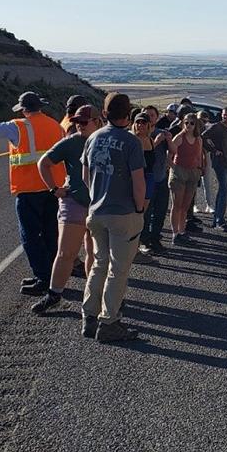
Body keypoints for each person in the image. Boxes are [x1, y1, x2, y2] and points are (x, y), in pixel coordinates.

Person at [0, 91, 66, 295]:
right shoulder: (55, 125)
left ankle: (43, 278)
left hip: (30, 190)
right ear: (40, 106)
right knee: (51, 233)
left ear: (23, 109)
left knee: (30, 237)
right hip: (53, 188)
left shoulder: (19, 126)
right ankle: (52, 277)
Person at [81, 92, 146, 343]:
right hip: (123, 213)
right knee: (118, 270)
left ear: (105, 113)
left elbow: (86, 176)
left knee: (99, 263)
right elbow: (138, 182)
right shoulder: (131, 143)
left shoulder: (93, 138)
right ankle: (109, 322)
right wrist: (139, 208)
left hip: (97, 211)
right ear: (128, 115)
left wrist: (96, 197)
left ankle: (89, 315)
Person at [32, 105, 102, 314]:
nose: (79, 125)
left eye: (84, 122)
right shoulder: (71, 143)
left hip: (99, 205)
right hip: (74, 203)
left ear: (98, 121)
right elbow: (43, 163)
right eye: (77, 122)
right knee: (66, 253)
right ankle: (55, 295)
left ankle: (93, 295)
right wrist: (54, 189)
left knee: (94, 253)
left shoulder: (104, 141)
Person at [167, 112, 204, 245]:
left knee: (185, 206)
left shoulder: (199, 139)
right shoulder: (179, 137)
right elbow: (169, 155)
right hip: (179, 172)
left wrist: (199, 169)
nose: (188, 125)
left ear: (196, 125)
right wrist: (174, 169)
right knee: (176, 205)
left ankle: (182, 232)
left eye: (191, 123)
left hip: (193, 173)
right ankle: (175, 233)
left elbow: (199, 156)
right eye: (186, 122)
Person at [139, 105, 171, 256]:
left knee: (160, 211)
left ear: (157, 118)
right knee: (146, 212)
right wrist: (156, 142)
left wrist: (168, 139)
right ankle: (144, 241)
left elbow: (173, 151)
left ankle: (155, 238)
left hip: (160, 178)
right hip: (145, 180)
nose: (149, 118)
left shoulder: (161, 133)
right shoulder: (139, 136)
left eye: (152, 115)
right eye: (146, 115)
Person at [202, 107, 227, 231]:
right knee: (225, 190)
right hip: (218, 162)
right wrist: (214, 150)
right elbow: (203, 137)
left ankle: (216, 219)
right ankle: (220, 221)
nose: (225, 117)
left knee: (224, 191)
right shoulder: (216, 127)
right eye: (224, 115)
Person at [196, 110, 216, 216]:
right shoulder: (193, 129)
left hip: (206, 156)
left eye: (205, 121)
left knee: (207, 181)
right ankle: (194, 205)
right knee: (194, 182)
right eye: (201, 120)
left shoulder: (209, 129)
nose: (202, 123)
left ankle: (209, 205)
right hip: (194, 156)